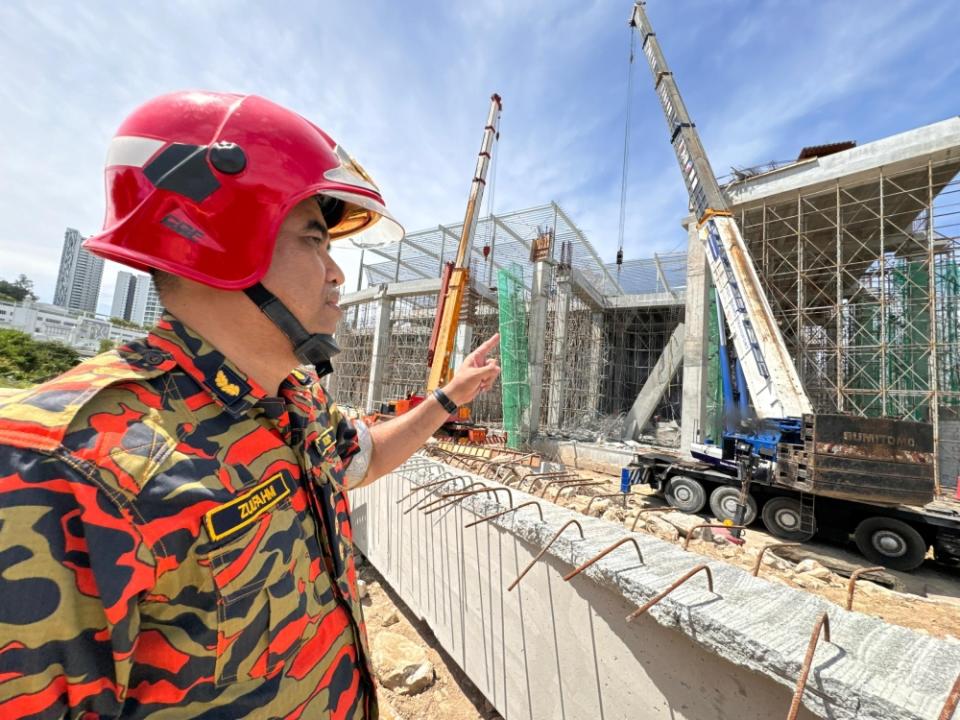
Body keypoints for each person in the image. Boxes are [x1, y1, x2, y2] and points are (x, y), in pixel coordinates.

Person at [0, 90, 500, 719]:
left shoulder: (293, 401)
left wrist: (448, 397)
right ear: (223, 240)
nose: (337, 274)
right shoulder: (64, 470)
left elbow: (360, 460)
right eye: (315, 240)